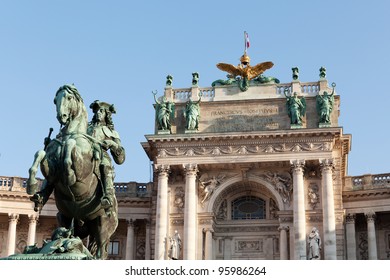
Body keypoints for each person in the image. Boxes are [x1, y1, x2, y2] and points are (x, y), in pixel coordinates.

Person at [87, 100, 125, 212]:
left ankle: (108, 196)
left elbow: (120, 158)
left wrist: (112, 144)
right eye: (97, 111)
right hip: (85, 154)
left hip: (101, 155)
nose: (98, 113)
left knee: (105, 165)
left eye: (102, 111)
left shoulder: (112, 133)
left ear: (107, 115)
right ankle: (44, 194)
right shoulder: (85, 128)